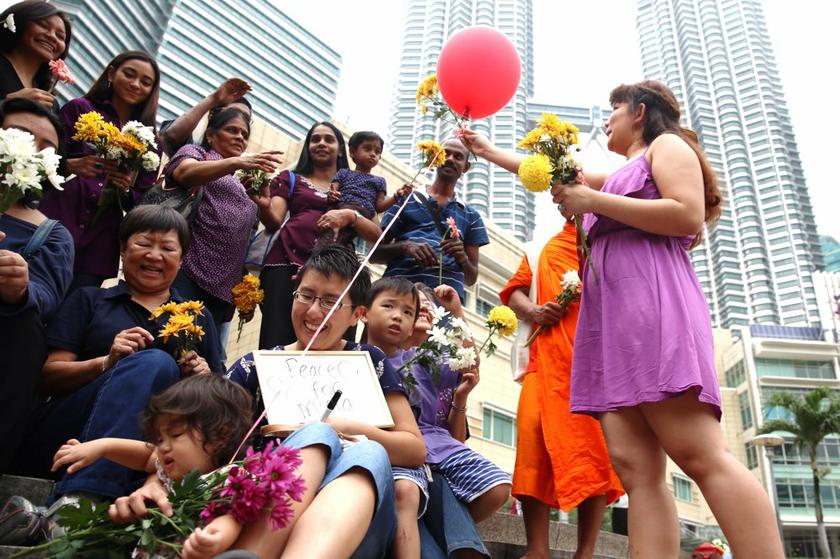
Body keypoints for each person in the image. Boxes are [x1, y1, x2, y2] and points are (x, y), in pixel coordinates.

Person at [548, 81, 782, 557]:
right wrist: (485, 150)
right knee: (637, 471)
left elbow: (686, 213)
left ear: (640, 111)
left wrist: (591, 202)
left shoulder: (668, 146)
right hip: (612, 325)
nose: (607, 119)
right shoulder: (620, 174)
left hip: (651, 311)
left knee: (699, 453)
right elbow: (554, 174)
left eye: (614, 108)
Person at [460, 130, 623, 558]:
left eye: (567, 192)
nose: (561, 200)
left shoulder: (613, 238)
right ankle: (537, 549)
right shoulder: (542, 248)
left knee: (592, 450)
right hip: (544, 360)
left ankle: (585, 551)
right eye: (558, 196)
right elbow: (513, 291)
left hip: (593, 364)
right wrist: (534, 311)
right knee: (532, 441)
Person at [222, 244, 425, 558]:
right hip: (266, 508)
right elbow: (212, 439)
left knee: (367, 451)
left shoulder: (370, 360)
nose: (315, 312)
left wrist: (348, 428)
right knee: (318, 435)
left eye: (331, 301)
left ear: (357, 314)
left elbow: (414, 448)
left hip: (360, 522)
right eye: (306, 295)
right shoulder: (254, 367)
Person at [10, 205, 222, 502]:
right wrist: (106, 362)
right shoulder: (88, 300)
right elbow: (47, 378)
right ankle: (85, 494)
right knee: (155, 361)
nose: (154, 256)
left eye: (167, 248)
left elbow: (220, 398)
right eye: (144, 244)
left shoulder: (199, 318)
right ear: (122, 250)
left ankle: (89, 492)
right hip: (69, 433)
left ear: (182, 258)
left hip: (155, 446)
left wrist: (200, 379)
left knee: (160, 366)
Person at [364, 278, 510, 558]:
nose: (404, 315)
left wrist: (457, 312)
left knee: (494, 486)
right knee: (414, 491)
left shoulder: (432, 358)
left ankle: (435, 529)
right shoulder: (382, 356)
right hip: (403, 454)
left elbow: (469, 363)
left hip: (438, 450)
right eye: (408, 309)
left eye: (414, 309)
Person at [252, 122, 383, 349]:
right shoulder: (289, 178)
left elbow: (377, 236)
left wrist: (350, 216)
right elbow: (273, 220)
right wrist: (263, 206)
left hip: (338, 273)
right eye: (315, 139)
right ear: (308, 147)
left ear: (342, 150)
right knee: (277, 341)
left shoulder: (360, 185)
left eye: (329, 139)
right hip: (286, 265)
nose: (321, 143)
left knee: (332, 345)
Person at [39, 51, 162, 292]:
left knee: (73, 311)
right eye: (129, 74)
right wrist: (71, 165)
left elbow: (142, 200)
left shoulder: (151, 141)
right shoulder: (79, 109)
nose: (136, 84)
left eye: (146, 82)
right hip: (57, 218)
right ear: (111, 73)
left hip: (99, 242)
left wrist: (124, 189)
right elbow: (42, 158)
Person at [165, 107, 281, 347]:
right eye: (232, 130)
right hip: (188, 273)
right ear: (210, 135)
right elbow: (184, 173)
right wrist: (237, 161)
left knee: (203, 358)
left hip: (223, 289)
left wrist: (264, 205)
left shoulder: (246, 180)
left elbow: (263, 228)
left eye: (244, 134)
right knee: (175, 343)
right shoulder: (197, 154)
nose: (240, 137)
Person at [0, 97, 74, 473]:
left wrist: (19, 288)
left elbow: (46, 296)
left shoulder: (52, 234)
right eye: (22, 136)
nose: (33, 151)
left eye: (47, 148)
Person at [372, 138, 488, 302]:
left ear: (466, 167)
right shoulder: (406, 199)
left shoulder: (472, 216)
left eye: (458, 156)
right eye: (445, 153)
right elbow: (374, 254)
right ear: (435, 157)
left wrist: (462, 257)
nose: (450, 159)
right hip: (398, 295)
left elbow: (471, 278)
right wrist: (406, 247)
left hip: (444, 303)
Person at [319, 130, 411, 246]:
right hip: (344, 205)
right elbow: (333, 191)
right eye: (367, 149)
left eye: (377, 152)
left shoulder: (380, 181)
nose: (373, 154)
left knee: (380, 239)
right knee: (332, 237)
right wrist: (332, 195)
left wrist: (397, 196)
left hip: (367, 212)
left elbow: (379, 206)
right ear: (353, 152)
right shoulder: (343, 173)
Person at [0, 0, 72, 109]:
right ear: (19, 23)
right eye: (43, 25)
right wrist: (10, 102)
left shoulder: (50, 102)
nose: (52, 36)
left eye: (60, 36)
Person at [159, 77, 252, 157]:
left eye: (246, 118)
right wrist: (214, 99)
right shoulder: (191, 154)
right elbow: (171, 137)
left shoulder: (246, 170)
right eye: (233, 112)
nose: (240, 119)